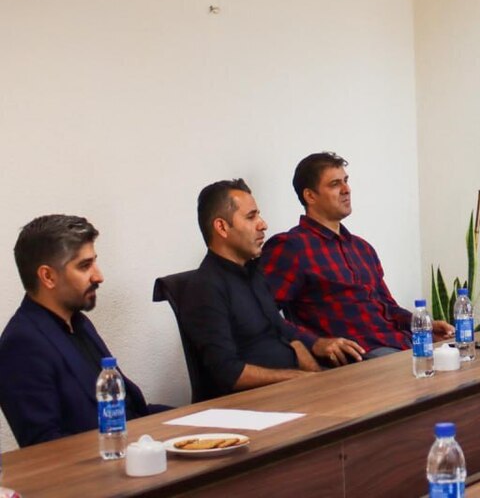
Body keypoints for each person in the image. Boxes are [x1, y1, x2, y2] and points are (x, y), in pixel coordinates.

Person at [178, 179, 365, 400]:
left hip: (295, 390)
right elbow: (228, 373)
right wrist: (299, 378)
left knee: (364, 387)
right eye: (251, 217)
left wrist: (316, 348)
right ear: (222, 227)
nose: (263, 224)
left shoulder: (253, 271)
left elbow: (281, 329)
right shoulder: (206, 287)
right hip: (256, 404)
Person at [260, 152, 452, 357]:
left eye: (346, 181)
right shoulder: (291, 246)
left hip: (399, 342)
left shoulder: (362, 248)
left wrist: (424, 325)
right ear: (310, 196)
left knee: (461, 353)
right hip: (361, 354)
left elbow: (387, 307)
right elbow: (262, 313)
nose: (346, 189)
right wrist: (315, 343)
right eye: (335, 184)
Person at [0, 215, 168, 447]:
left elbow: (129, 412)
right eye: (84, 266)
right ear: (48, 276)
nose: (98, 276)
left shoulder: (79, 323)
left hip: (135, 446)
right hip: (103, 463)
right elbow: (44, 447)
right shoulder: (21, 343)